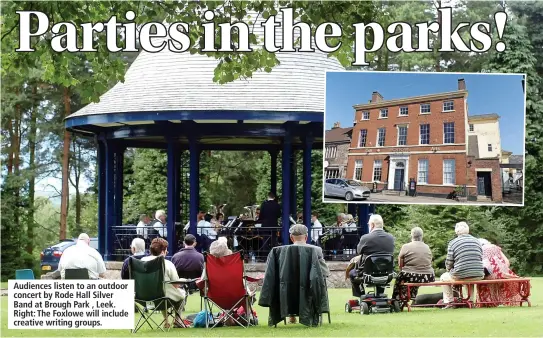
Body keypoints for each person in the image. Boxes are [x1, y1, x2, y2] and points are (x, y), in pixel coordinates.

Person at [287, 224, 330, 324]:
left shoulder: (282, 251)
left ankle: (291, 315)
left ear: (291, 238)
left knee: (289, 287)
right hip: (311, 285)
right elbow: (324, 272)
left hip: (290, 286)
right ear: (306, 237)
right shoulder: (316, 250)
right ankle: (314, 313)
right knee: (315, 284)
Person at [141, 238, 186, 328]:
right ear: (162, 252)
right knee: (181, 294)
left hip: (143, 298)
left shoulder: (142, 261)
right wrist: (184, 280)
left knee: (162, 290)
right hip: (162, 298)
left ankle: (166, 320)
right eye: (166, 250)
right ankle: (177, 320)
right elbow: (176, 284)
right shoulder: (167, 264)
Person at [440, 222, 484, 309]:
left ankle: (449, 302)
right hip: (478, 274)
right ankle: (471, 301)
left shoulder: (453, 243)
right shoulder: (477, 241)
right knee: (470, 276)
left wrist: (449, 270)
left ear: (456, 231)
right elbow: (480, 257)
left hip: (461, 274)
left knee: (443, 278)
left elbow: (449, 262)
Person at [350, 214, 395, 298]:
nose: (368, 226)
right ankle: (380, 294)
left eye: (368, 224)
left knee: (352, 273)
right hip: (386, 273)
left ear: (372, 225)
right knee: (380, 268)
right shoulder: (391, 238)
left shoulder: (366, 238)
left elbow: (359, 252)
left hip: (367, 273)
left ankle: (361, 295)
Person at [392, 227, 435, 307]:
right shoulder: (427, 247)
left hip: (411, 275)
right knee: (416, 277)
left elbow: (400, 263)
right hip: (428, 276)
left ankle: (396, 299)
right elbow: (430, 260)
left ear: (411, 235)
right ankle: (412, 295)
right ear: (422, 236)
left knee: (400, 279)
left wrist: (402, 269)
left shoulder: (406, 246)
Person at [477, 238, 522, 307]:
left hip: (488, 275)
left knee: (484, 279)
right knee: (498, 276)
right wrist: (502, 270)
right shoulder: (496, 247)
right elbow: (507, 262)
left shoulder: (479, 250)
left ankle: (488, 302)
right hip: (503, 274)